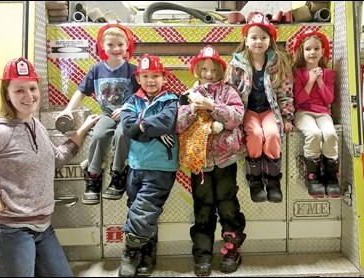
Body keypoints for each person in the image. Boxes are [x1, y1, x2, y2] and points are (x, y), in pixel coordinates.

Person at [0, 57, 100, 277]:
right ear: (7, 94)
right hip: (7, 232)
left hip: (42, 228)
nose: (29, 96)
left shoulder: (35, 126)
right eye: (19, 90)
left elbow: (56, 159)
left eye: (32, 88)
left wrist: (82, 130)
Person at [177, 45, 248, 276]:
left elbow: (237, 117)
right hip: (201, 164)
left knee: (228, 206)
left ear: (220, 70)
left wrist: (213, 107)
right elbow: (178, 124)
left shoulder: (229, 92)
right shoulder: (189, 93)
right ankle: (202, 255)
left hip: (226, 160)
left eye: (213, 69)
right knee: (203, 209)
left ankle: (231, 250)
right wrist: (191, 109)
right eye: (204, 69)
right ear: (197, 70)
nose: (209, 73)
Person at [56, 23, 140, 205]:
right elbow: (82, 90)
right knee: (98, 135)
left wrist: (127, 108)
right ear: (102, 46)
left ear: (127, 46)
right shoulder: (96, 70)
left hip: (127, 115)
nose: (116, 49)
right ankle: (93, 176)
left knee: (122, 134)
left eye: (120, 44)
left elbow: (141, 96)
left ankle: (117, 174)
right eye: (110, 44)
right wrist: (68, 109)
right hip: (105, 114)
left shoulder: (133, 71)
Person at [117, 54, 179, 277]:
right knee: (138, 210)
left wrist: (140, 126)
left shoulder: (171, 100)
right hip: (135, 165)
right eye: (145, 76)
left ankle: (129, 252)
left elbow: (166, 122)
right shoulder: (131, 100)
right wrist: (149, 129)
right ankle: (147, 254)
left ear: (164, 78)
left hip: (161, 166)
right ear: (139, 78)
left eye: (155, 76)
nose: (151, 80)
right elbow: (127, 127)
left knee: (143, 211)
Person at [226, 11, 295, 203]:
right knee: (255, 135)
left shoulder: (277, 63)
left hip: (269, 111)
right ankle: (255, 182)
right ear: (246, 40)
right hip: (247, 111)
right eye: (254, 37)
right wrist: (232, 118)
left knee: (272, 134)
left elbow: (285, 91)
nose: (258, 41)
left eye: (263, 37)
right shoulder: (236, 64)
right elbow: (229, 92)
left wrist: (287, 117)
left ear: (270, 40)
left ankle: (273, 182)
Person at [292, 31, 340, 198]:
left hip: (322, 113)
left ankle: (332, 177)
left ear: (322, 51)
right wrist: (310, 80)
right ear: (302, 52)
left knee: (330, 134)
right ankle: (313, 177)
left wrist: (319, 80)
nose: (312, 52)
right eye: (308, 49)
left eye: (316, 48)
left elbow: (329, 98)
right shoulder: (298, 73)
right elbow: (298, 99)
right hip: (303, 112)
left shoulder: (328, 74)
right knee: (313, 133)